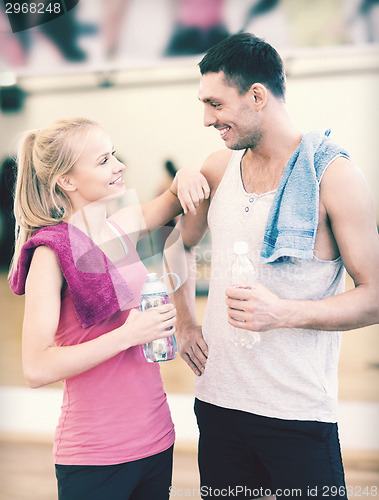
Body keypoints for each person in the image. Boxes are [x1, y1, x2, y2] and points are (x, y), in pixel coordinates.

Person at [172, 33, 379, 499]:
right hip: (219, 405)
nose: (207, 119)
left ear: (258, 95)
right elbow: (174, 246)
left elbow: (375, 295)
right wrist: (185, 321)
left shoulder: (336, 177)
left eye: (215, 104)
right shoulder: (217, 169)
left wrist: (283, 313)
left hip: (297, 415)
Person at [8, 117, 209, 500]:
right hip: (94, 455)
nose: (118, 165)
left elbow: (175, 195)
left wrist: (184, 174)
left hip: (156, 439)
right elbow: (36, 368)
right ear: (67, 181)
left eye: (113, 154)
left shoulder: (122, 227)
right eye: (103, 161)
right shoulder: (51, 254)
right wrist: (127, 335)